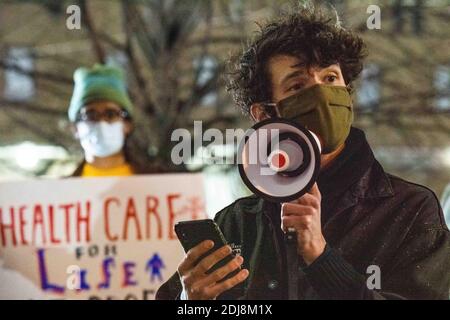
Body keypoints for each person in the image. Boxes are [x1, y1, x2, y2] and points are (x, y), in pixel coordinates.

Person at [156, 8, 450, 300]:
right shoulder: (237, 225)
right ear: (265, 114)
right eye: (298, 85)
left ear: (348, 93)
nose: (322, 95)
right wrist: (189, 302)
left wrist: (321, 258)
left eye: (331, 78)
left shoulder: (408, 212)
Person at [67, 64, 153, 177]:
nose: (101, 122)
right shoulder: (60, 191)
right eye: (90, 115)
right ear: (75, 128)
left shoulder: (161, 185)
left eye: (111, 114)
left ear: (127, 125)